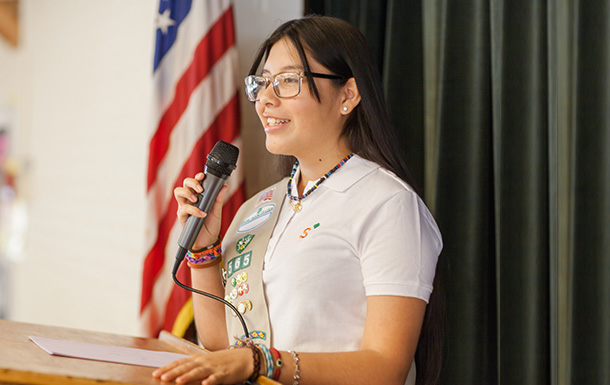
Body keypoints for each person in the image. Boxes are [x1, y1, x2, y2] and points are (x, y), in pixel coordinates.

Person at [153, 15, 443, 385]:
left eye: (288, 81)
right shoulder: (257, 208)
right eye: (262, 84)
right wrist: (205, 251)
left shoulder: (388, 205)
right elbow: (222, 344)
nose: (265, 100)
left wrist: (264, 364)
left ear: (348, 95)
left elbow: (385, 368)